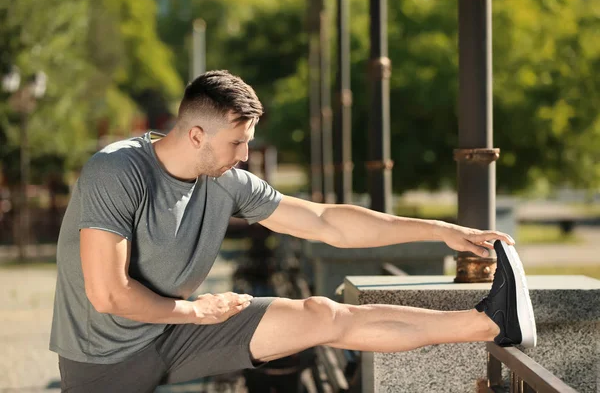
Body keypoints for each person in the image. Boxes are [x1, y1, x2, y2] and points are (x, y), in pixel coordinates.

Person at [49, 70, 536, 392]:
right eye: (238, 142)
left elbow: (326, 222)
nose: (244, 155)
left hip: (179, 327)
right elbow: (108, 294)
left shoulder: (225, 180)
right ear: (195, 134)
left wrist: (438, 230)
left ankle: (491, 322)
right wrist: (196, 310)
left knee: (323, 314)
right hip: (104, 361)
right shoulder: (116, 171)